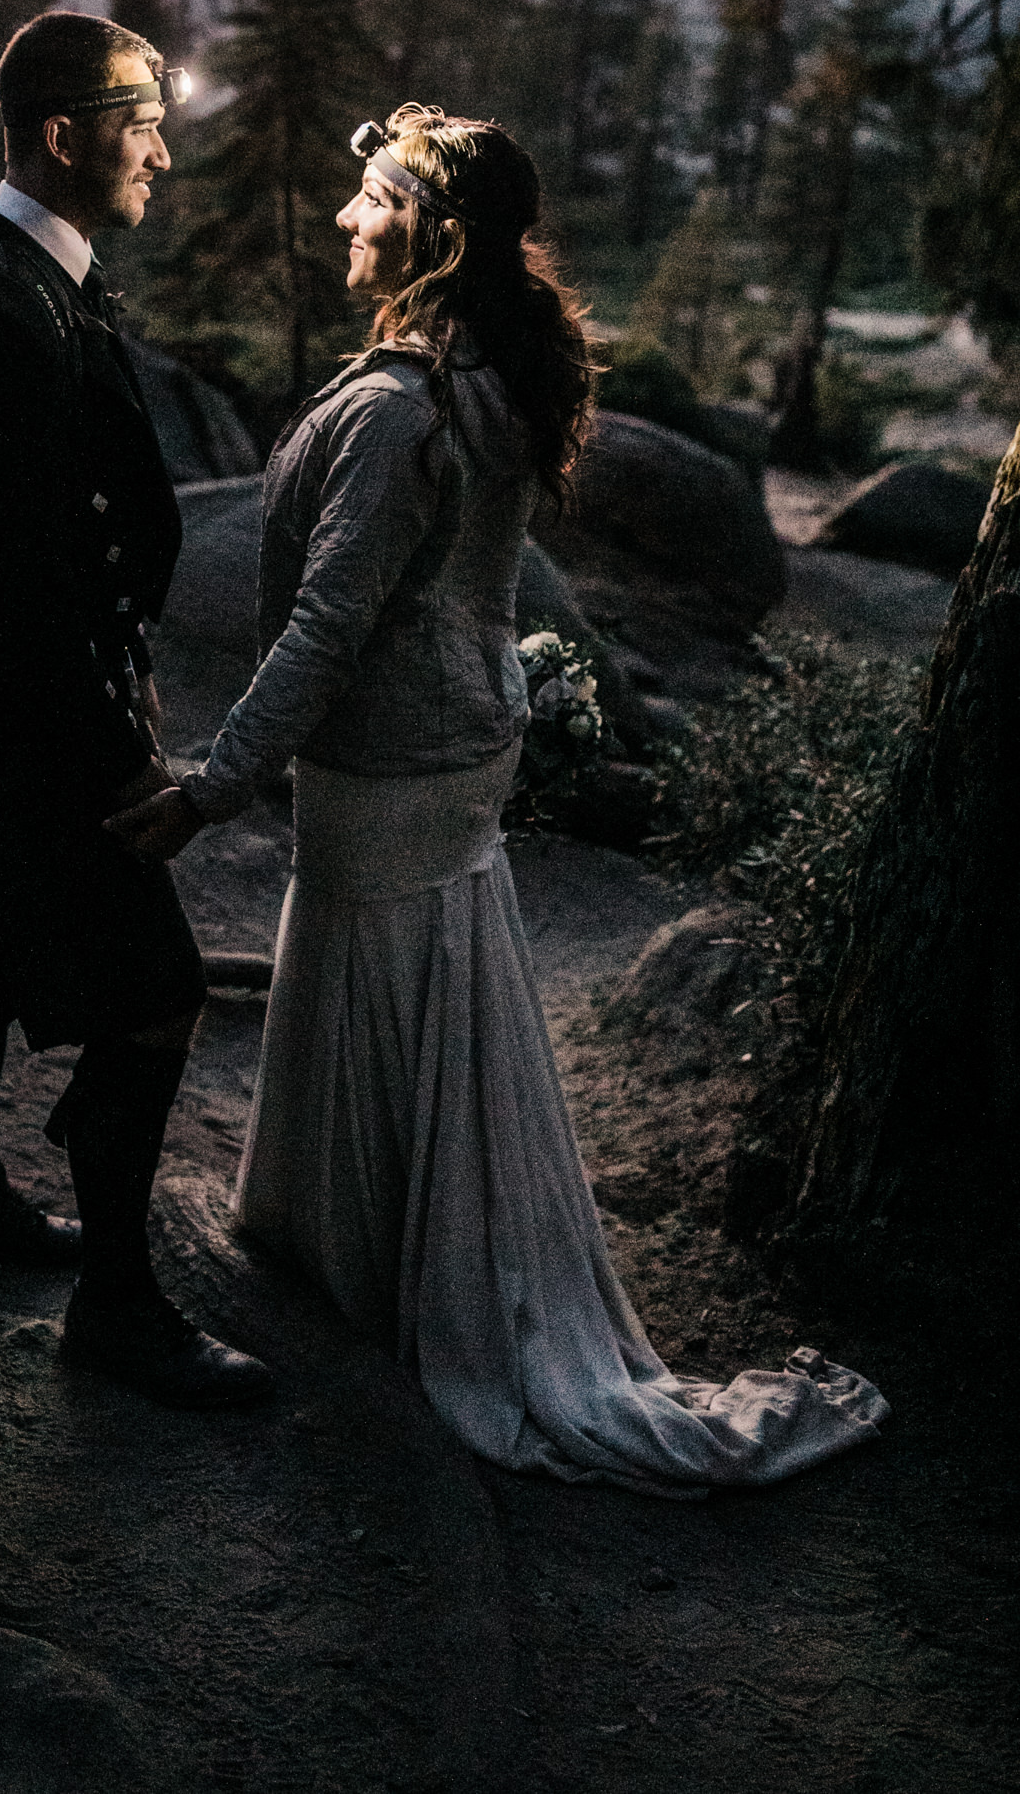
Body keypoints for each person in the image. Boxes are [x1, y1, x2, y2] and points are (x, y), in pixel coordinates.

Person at [109, 104, 887, 1493]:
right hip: (454, 749)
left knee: (385, 989)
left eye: (371, 201)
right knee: (420, 994)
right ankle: (391, 1263)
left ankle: (398, 1281)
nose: (347, 219)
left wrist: (211, 787)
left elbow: (328, 631)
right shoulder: (476, 383)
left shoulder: (406, 409)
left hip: (398, 761)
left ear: (435, 235)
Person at [0, 10, 272, 1411]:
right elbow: (13, 569)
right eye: (141, 120)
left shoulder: (25, 286)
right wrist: (116, 745)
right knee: (155, 997)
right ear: (62, 134)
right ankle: (116, 1302)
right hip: (16, 725)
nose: (161, 146)